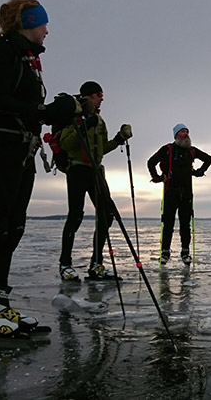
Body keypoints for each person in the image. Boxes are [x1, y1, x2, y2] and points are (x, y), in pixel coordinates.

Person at [0, 0, 81, 336]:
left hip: (21, 150)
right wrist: (46, 113)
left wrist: (51, 110)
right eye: (42, 23)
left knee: (13, 225)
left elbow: (24, 104)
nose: (47, 30)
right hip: (1, 149)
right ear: (27, 23)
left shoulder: (23, 58)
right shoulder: (2, 53)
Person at [58, 81, 132, 281]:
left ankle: (96, 264)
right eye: (99, 94)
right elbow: (65, 143)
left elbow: (100, 150)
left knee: (107, 215)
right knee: (75, 216)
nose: (102, 98)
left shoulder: (99, 121)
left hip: (96, 170)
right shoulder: (74, 116)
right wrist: (83, 127)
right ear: (89, 96)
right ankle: (65, 264)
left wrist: (118, 139)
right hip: (77, 169)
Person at [147, 124, 211, 265]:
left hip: (187, 194)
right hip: (170, 192)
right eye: (183, 132)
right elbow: (151, 162)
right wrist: (157, 177)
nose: (186, 134)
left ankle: (185, 252)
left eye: (187, 132)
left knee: (185, 225)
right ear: (176, 135)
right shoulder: (167, 149)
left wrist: (199, 172)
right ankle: (165, 252)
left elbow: (208, 159)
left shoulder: (192, 151)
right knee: (168, 224)